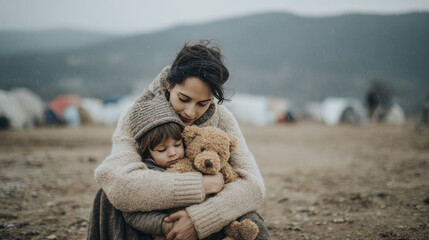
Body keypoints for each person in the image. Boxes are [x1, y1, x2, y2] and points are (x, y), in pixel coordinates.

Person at [88, 40, 268, 240]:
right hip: (153, 217)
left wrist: (198, 219)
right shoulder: (136, 114)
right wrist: (199, 185)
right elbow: (120, 184)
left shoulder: (223, 119)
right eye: (183, 99)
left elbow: (253, 186)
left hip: (207, 209)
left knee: (251, 222)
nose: (191, 112)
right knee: (106, 200)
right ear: (169, 85)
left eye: (203, 104)